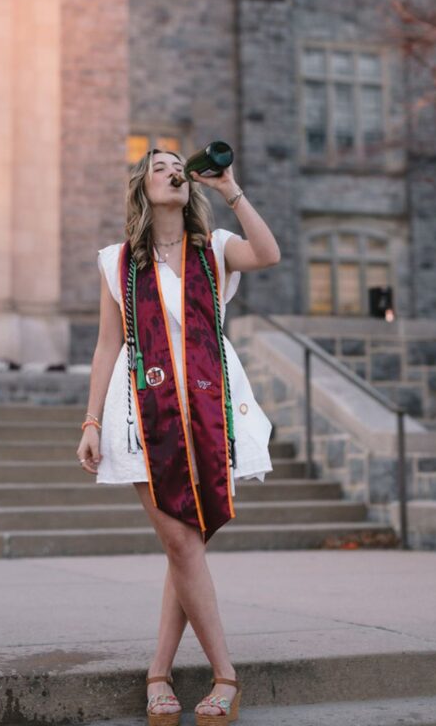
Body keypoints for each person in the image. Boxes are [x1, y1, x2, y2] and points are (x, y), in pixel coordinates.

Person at [77, 148, 280, 725]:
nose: (173, 171)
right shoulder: (116, 263)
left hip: (209, 412)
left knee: (182, 549)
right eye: (159, 165)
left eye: (177, 165)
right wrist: (90, 421)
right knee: (180, 545)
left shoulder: (214, 251)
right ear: (142, 185)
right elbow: (106, 346)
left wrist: (229, 189)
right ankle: (225, 677)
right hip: (139, 414)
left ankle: (159, 675)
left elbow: (268, 253)